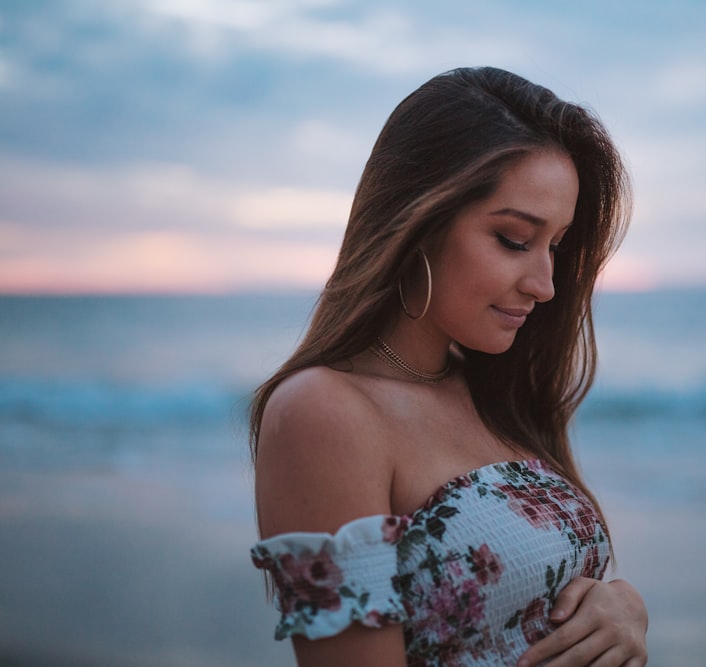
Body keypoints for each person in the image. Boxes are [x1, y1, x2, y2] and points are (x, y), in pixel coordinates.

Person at [249, 66, 648, 666]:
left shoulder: (491, 393)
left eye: (556, 247)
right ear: (417, 223)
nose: (545, 284)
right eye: (515, 239)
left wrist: (622, 607)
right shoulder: (322, 413)